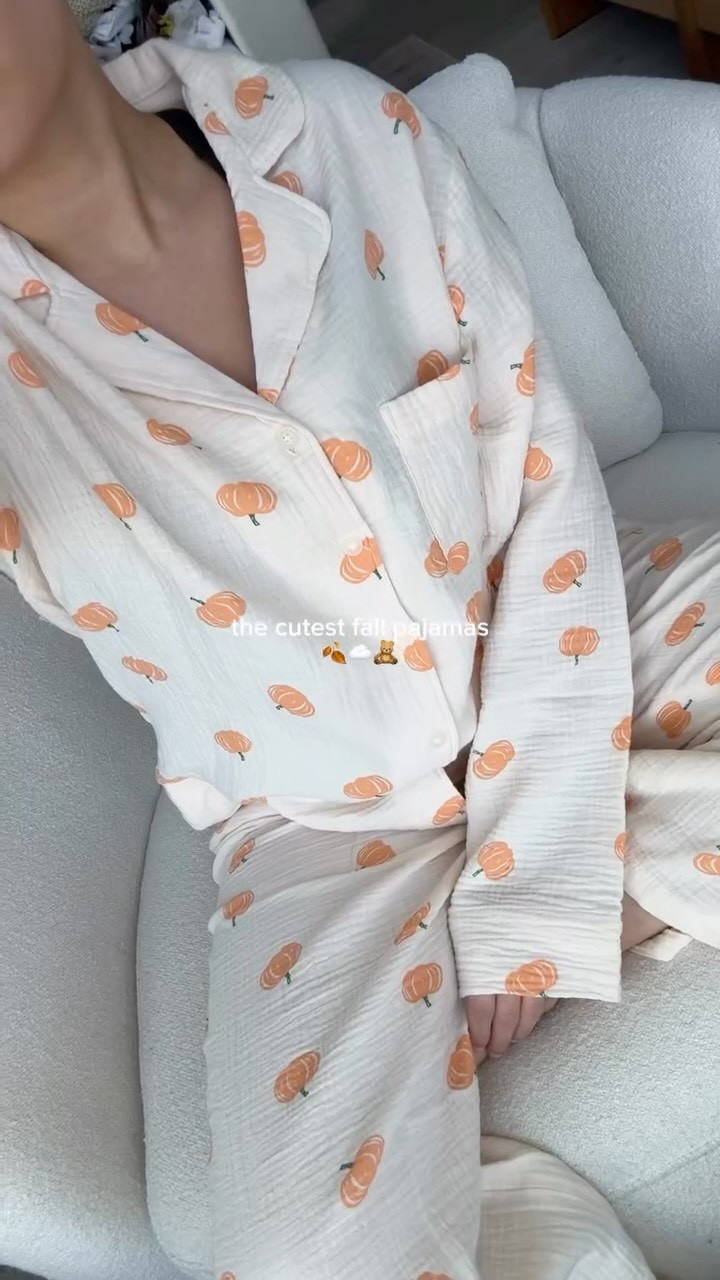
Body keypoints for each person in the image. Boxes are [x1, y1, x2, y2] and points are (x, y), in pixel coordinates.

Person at [1, 2, 717, 1276]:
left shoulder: (345, 133)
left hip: (573, 631)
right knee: (301, 1247)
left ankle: (586, 882)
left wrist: (535, 882)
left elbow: (543, 485)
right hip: (318, 819)